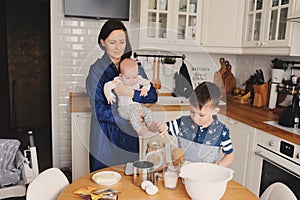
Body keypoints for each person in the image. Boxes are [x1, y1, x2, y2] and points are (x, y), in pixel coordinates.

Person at [85, 19, 158, 171]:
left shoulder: (133, 66)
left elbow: (152, 96)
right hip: (105, 138)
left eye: (122, 41)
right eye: (112, 42)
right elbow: (100, 111)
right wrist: (129, 119)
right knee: (104, 184)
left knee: (129, 181)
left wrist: (130, 93)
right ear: (103, 42)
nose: (118, 47)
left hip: (129, 137)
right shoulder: (96, 71)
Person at [154, 81, 234, 167]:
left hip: (206, 177)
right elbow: (166, 126)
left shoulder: (221, 131)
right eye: (192, 112)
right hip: (184, 174)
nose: (195, 118)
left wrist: (216, 167)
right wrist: (163, 127)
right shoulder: (183, 123)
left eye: (201, 115)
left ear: (215, 111)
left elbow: (230, 156)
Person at [103, 58, 154, 136]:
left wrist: (145, 89)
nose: (132, 81)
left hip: (137, 107)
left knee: (148, 111)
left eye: (134, 77)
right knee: (133, 114)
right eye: (128, 78)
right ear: (121, 76)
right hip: (124, 108)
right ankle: (138, 129)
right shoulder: (118, 81)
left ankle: (150, 125)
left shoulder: (139, 79)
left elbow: (147, 83)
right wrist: (109, 95)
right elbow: (107, 86)